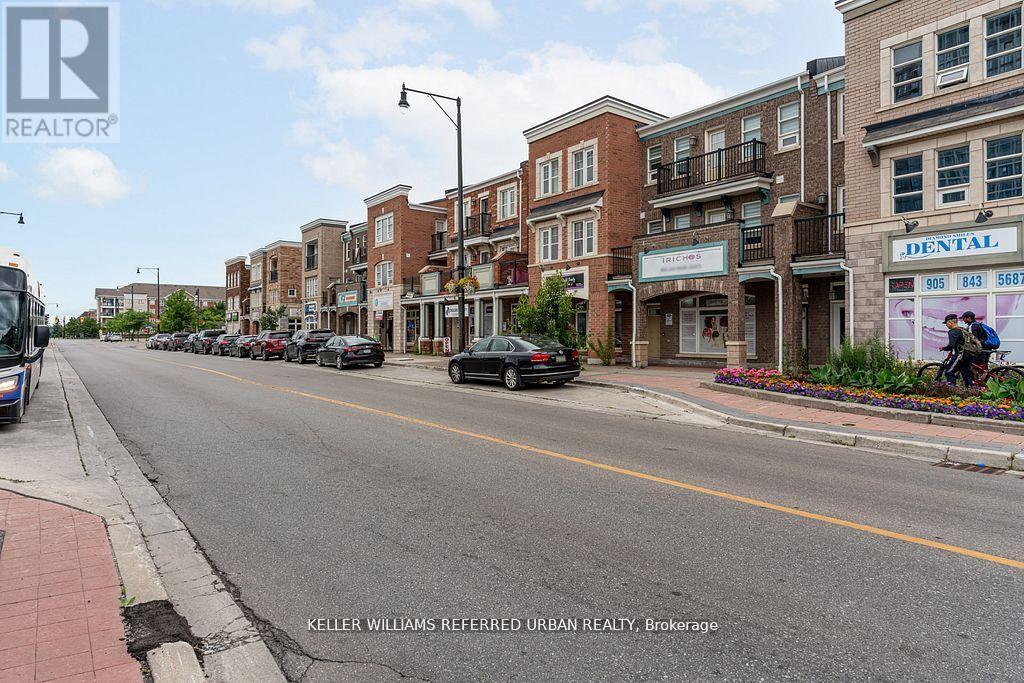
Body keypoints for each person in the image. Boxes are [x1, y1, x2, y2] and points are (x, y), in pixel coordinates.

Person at [939, 313, 975, 386]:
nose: (946, 325)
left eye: (946, 323)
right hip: (968, 355)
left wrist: (944, 348)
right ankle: (971, 390)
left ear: (950, 322)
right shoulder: (963, 329)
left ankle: (951, 389)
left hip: (960, 355)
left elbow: (951, 345)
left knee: (949, 372)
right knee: (966, 374)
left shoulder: (953, 332)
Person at [961, 310, 991, 378]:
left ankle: (978, 384)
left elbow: (974, 339)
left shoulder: (972, 326)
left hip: (981, 349)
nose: (963, 320)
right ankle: (984, 381)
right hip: (986, 348)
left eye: (964, 318)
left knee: (975, 367)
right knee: (983, 368)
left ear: (969, 318)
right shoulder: (977, 324)